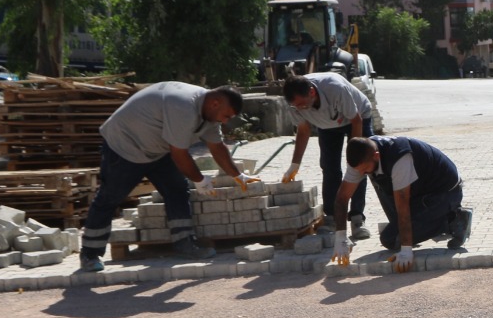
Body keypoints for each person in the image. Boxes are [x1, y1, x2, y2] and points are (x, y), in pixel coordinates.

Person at [78, 82, 255, 272]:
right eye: (226, 115)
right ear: (215, 103)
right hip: (124, 147)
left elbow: (217, 147)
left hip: (156, 150)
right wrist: (200, 180)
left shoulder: (210, 116)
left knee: (177, 189)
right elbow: (179, 153)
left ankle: (184, 244)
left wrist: (238, 175)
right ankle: (90, 254)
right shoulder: (183, 106)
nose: (226, 121)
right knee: (110, 197)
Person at [328, 135, 472, 273]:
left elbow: (403, 208)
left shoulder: (399, 159)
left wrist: (406, 251)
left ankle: (454, 219)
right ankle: (420, 226)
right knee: (377, 178)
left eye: (364, 169)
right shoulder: (362, 154)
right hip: (419, 192)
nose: (362, 173)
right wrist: (341, 238)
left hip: (444, 193)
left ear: (376, 156)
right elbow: (342, 199)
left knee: (390, 239)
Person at [281, 71, 374, 240]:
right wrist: (294, 165)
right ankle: (331, 218)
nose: (300, 108)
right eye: (297, 106)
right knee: (329, 168)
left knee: (359, 167)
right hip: (327, 125)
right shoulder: (294, 103)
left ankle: (357, 219)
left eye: (302, 104)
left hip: (357, 116)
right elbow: (303, 130)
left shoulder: (334, 88)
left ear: (312, 92)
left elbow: (356, 120)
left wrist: (353, 157)